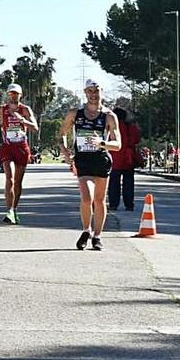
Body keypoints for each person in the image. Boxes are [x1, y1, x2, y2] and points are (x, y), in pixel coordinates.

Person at [59, 80, 121, 251]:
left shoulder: (109, 116)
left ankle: (98, 236)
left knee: (100, 200)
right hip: (83, 160)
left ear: (101, 92)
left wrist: (102, 143)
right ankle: (86, 230)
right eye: (90, 91)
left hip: (101, 160)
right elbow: (62, 134)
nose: (93, 94)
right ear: (85, 92)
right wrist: (66, 153)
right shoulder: (75, 113)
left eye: (96, 91)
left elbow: (118, 144)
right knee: (87, 198)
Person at [0, 83, 38, 225]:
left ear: (21, 95)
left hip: (21, 147)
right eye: (11, 93)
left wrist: (22, 120)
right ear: (8, 95)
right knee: (10, 177)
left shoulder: (25, 109)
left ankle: (14, 209)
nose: (13, 96)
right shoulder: (1, 109)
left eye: (16, 93)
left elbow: (35, 127)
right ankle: (9, 210)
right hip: (7, 146)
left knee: (18, 182)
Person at [106, 107, 141, 212]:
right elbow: (137, 139)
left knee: (113, 184)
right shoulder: (131, 127)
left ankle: (113, 204)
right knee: (129, 184)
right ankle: (129, 204)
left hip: (115, 159)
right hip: (128, 159)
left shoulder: (111, 126)